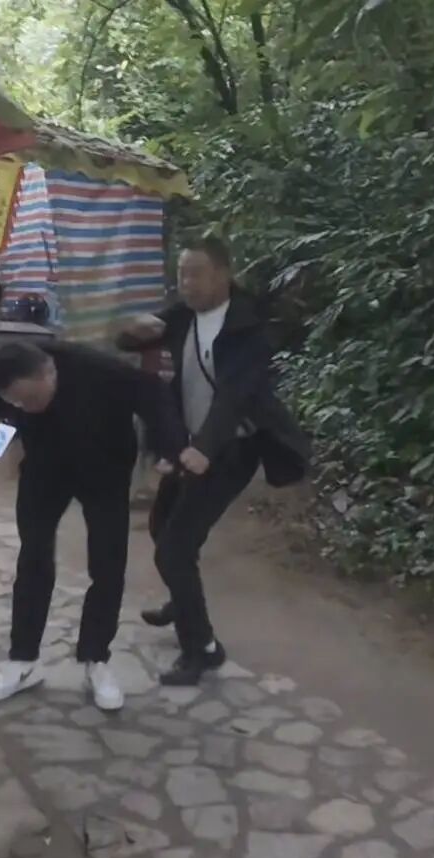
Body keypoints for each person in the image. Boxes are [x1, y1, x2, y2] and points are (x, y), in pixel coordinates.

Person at [117, 236, 311, 686]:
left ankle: (202, 648)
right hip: (189, 446)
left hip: (230, 451)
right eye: (181, 274)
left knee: (174, 549)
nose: (186, 283)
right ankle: (181, 599)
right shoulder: (182, 314)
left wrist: (203, 450)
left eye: (196, 274)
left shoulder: (249, 328)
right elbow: (128, 341)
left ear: (223, 275)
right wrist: (131, 332)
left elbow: (232, 398)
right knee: (162, 527)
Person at [0, 340, 182, 709]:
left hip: (105, 467)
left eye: (30, 399)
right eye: (16, 401)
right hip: (44, 466)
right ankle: (22, 661)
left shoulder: (101, 370)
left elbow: (155, 394)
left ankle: (95, 659)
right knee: (33, 556)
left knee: (107, 564)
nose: (24, 407)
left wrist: (170, 449)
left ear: (49, 372)